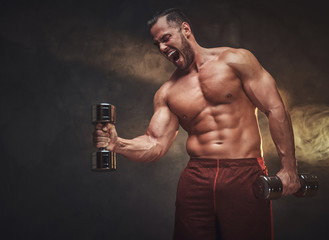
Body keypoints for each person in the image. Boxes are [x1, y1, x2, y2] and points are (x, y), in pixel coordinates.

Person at [93, 8, 301, 240]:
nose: (162, 48)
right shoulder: (167, 92)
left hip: (243, 174)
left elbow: (275, 108)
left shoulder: (236, 60)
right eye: (157, 44)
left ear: (185, 30)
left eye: (165, 38)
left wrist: (289, 168)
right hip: (196, 178)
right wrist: (118, 144)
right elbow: (154, 143)